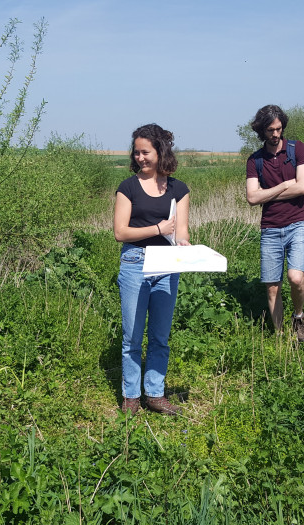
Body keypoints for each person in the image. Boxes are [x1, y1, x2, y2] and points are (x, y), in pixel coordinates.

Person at [113, 123, 191, 416]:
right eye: (137, 153)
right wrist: (157, 228)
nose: (140, 158)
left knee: (160, 335)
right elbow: (120, 232)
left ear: (161, 151)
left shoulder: (178, 189)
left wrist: (184, 245)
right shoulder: (128, 187)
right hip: (135, 262)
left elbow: (181, 232)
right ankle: (131, 396)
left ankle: (155, 394)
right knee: (132, 336)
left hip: (168, 266)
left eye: (146, 152)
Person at [245, 105, 304, 343]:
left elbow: (303, 187)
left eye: (279, 128)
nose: (275, 134)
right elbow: (252, 198)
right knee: (272, 287)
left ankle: (298, 317)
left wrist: (268, 193)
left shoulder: (299, 149)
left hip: (298, 224)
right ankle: (280, 337)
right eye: (270, 130)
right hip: (270, 228)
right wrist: (284, 186)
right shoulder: (255, 160)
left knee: (295, 277)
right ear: (261, 131)